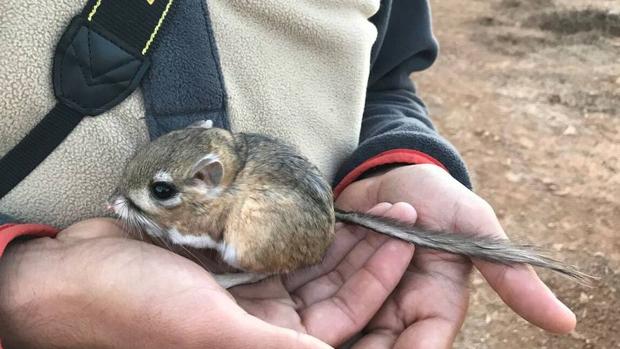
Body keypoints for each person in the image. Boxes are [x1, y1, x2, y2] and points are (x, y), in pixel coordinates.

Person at [0, 0, 576, 348]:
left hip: (312, 306)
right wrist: (16, 286)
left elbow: (386, 80)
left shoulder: (209, 189)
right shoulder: (198, 182)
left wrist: (397, 157)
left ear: (206, 180)